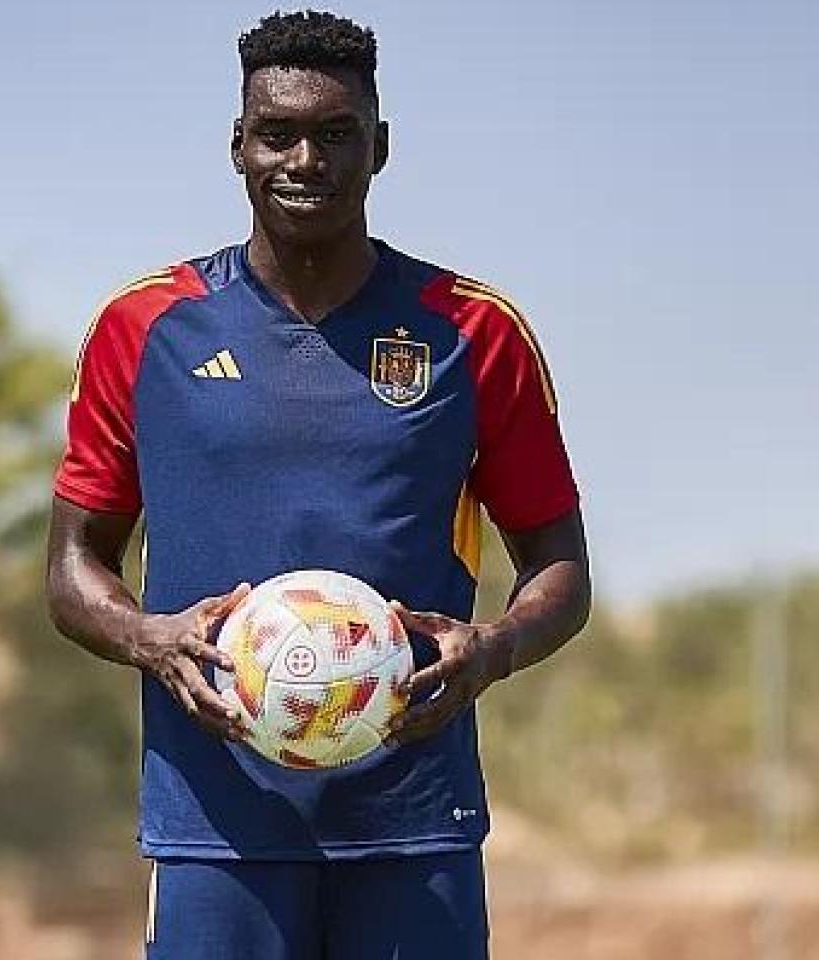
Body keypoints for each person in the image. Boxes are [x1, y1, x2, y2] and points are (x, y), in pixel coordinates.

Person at [46, 10, 591, 959]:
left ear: (379, 148)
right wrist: (151, 638)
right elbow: (71, 564)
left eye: (336, 134)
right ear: (238, 147)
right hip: (216, 823)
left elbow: (561, 568)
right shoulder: (146, 329)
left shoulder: (474, 331)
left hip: (413, 815)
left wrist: (492, 648)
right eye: (278, 133)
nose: (306, 159)